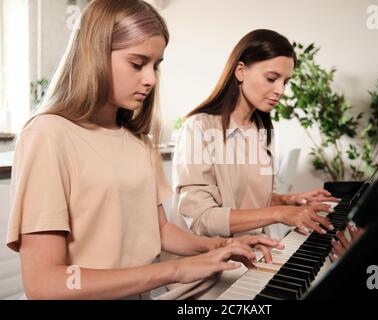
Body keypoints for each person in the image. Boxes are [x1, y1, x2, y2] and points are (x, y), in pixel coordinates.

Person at [5, 0, 283, 300]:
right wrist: (177, 270)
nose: (150, 79)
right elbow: (44, 284)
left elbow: (160, 231)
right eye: (137, 64)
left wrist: (216, 247)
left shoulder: (139, 141)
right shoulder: (47, 135)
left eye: (156, 66)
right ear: (94, 54)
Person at [170, 29, 340, 251]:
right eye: (271, 78)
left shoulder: (262, 130)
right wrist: (280, 213)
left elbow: (248, 200)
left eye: (285, 82)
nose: (280, 91)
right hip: (210, 261)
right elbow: (202, 218)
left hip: (253, 251)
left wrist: (289, 201)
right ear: (240, 71)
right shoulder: (199, 127)